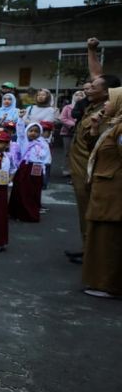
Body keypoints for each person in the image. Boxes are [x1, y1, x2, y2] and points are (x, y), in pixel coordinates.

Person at [66, 37, 121, 262]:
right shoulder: (94, 105)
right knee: (84, 209)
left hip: (96, 171)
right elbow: (97, 77)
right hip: (81, 168)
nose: (88, 89)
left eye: (93, 88)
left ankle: (94, 252)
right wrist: (90, 50)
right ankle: (87, 245)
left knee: (94, 210)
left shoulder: (110, 112)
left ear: (109, 92)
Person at [81, 86, 122, 297]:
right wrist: (95, 130)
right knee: (100, 238)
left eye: (110, 100)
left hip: (113, 194)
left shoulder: (121, 129)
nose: (105, 103)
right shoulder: (112, 126)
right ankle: (100, 281)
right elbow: (98, 153)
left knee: (110, 241)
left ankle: (110, 285)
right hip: (104, 191)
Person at [8, 122, 50, 223]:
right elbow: (20, 131)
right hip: (25, 168)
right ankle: (19, 213)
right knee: (22, 190)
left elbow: (46, 158)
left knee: (33, 191)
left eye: (36, 131)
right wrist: (21, 119)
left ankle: (31, 213)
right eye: (31, 131)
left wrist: (43, 169)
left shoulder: (42, 144)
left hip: (37, 169)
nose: (33, 133)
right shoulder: (24, 142)